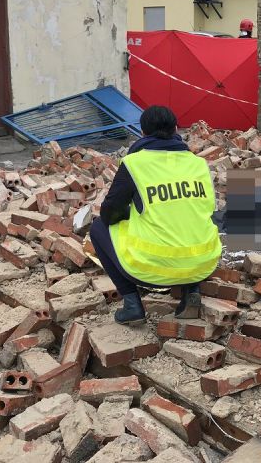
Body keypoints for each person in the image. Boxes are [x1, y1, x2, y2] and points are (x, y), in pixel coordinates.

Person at [89, 105, 221, 325]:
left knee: (98, 227)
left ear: (142, 132)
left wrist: (130, 214)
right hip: (203, 264)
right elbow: (207, 210)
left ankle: (132, 304)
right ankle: (192, 292)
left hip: (148, 270)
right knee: (189, 220)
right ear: (176, 129)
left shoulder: (134, 164)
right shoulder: (199, 164)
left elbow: (110, 213)